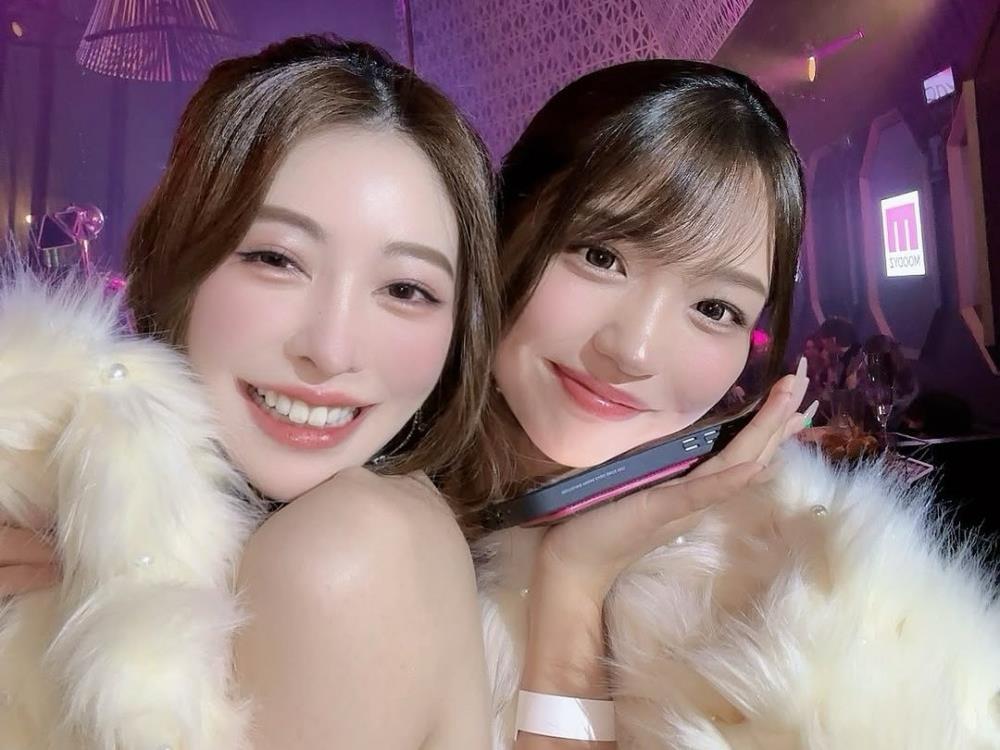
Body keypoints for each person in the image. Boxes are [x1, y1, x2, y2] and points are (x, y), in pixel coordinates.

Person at [455, 60, 1000, 749]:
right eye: (600, 255)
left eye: (714, 308)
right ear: (503, 225)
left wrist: (574, 584)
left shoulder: (810, 601)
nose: (635, 351)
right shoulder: (377, 497)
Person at [2, 35, 502, 749]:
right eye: (276, 259)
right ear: (179, 260)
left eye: (405, 289)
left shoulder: (345, 551)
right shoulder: (116, 536)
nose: (330, 349)